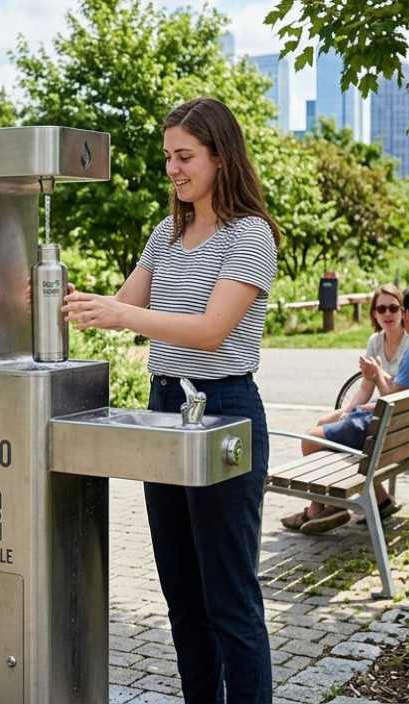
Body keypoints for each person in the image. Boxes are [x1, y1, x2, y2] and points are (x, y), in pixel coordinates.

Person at [61, 97, 279, 703]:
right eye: (167, 157)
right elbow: (120, 307)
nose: (173, 170)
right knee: (183, 598)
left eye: (185, 156)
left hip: (225, 411)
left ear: (220, 156)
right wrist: (67, 297)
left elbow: (212, 330)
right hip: (165, 414)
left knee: (229, 599)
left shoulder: (251, 235)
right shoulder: (168, 232)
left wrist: (125, 312)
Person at [280, 286, 409, 534]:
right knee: (327, 427)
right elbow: (400, 397)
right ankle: (372, 501)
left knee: (310, 440)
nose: (393, 314)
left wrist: (376, 375)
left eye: (398, 309)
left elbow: (391, 401)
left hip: (388, 431)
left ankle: (331, 506)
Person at [315, 284, 409, 428]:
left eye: (393, 308)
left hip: (396, 416)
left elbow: (402, 393)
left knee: (323, 433)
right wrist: (348, 411)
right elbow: (366, 389)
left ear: (402, 311)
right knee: (322, 423)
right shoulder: (375, 341)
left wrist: (377, 376)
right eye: (381, 309)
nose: (387, 314)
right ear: (374, 314)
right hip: (380, 410)